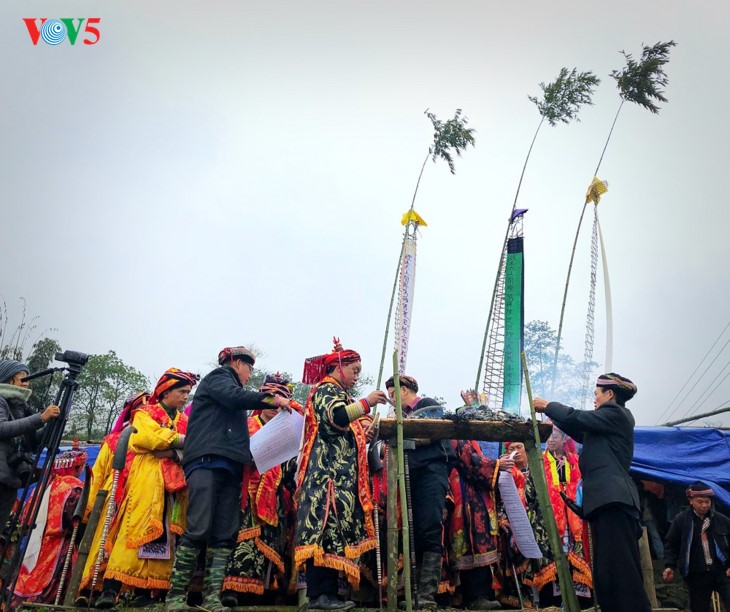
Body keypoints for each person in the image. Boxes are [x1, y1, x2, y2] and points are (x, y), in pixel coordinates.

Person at [166, 347, 288, 612]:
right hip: (207, 462)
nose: (249, 375)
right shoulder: (219, 378)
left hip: (232, 468)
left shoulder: (234, 398)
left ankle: (212, 598)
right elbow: (234, 397)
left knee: (224, 534)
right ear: (235, 362)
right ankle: (174, 598)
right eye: (248, 369)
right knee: (198, 528)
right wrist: (272, 400)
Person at [534, 372, 651, 612]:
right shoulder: (604, 426)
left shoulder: (617, 414)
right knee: (607, 575)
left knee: (621, 573)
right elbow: (576, 425)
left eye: (596, 394)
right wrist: (551, 415)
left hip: (614, 502)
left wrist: (548, 405)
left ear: (610, 394)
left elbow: (578, 417)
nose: (594, 399)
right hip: (605, 504)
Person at [295, 339, 386, 611]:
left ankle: (329, 594)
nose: (357, 375)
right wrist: (366, 403)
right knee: (322, 533)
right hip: (326, 479)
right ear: (337, 366)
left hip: (340, 481)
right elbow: (337, 417)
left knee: (335, 535)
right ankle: (319, 596)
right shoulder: (325, 389)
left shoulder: (339, 392)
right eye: (354, 369)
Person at [95, 368, 197, 608]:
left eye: (187, 393)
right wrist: (181, 442)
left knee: (165, 536)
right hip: (147, 482)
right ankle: (110, 590)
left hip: (173, 487)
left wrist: (172, 450)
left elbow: (191, 446)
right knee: (134, 531)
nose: (185, 397)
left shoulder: (184, 420)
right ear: (165, 391)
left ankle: (144, 592)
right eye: (181, 392)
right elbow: (146, 439)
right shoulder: (145, 413)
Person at [221, 374, 303, 606]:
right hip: (244, 491)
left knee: (271, 541)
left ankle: (261, 590)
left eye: (280, 405)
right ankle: (230, 589)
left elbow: (290, 466)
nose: (274, 410)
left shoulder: (289, 432)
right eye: (270, 404)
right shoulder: (244, 426)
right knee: (240, 540)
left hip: (274, 492)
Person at [384, 374, 454, 610]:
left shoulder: (428, 405)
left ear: (405, 390)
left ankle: (426, 595)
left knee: (429, 529)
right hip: (408, 475)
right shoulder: (398, 416)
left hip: (431, 473)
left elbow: (427, 435)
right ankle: (413, 593)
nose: (392, 399)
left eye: (394, 393)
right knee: (411, 532)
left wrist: (399, 435)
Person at [75, 391, 149, 606]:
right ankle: (92, 591)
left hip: (140, 497)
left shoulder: (151, 440)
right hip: (113, 496)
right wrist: (88, 510)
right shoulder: (114, 441)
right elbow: (97, 475)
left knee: (133, 547)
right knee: (103, 543)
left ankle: (132, 592)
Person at [12, 444, 87, 605]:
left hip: (36, 540)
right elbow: (75, 518)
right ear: (78, 467)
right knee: (53, 584)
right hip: (60, 543)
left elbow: (26, 515)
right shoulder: (74, 487)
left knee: (30, 576)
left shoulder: (43, 486)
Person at [526, 427, 592, 608]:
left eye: (554, 436)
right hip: (548, 522)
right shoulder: (538, 462)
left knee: (576, 565)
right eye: (548, 437)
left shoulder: (576, 461)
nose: (550, 440)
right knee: (553, 565)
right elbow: (530, 493)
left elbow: (582, 486)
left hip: (574, 521)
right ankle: (552, 604)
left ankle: (581, 605)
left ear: (564, 439)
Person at [0, 359, 60, 532]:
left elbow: (32, 443)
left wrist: (52, 423)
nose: (27, 383)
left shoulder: (20, 406)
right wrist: (40, 418)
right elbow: (2, 428)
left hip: (10, 480)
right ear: (9, 379)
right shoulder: (1, 400)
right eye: (23, 379)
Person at [663, 482, 730, 612]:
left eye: (707, 501)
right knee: (699, 608)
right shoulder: (681, 520)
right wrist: (669, 565)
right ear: (690, 501)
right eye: (700, 502)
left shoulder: (721, 520)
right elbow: (671, 544)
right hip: (696, 573)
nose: (704, 505)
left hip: (722, 571)